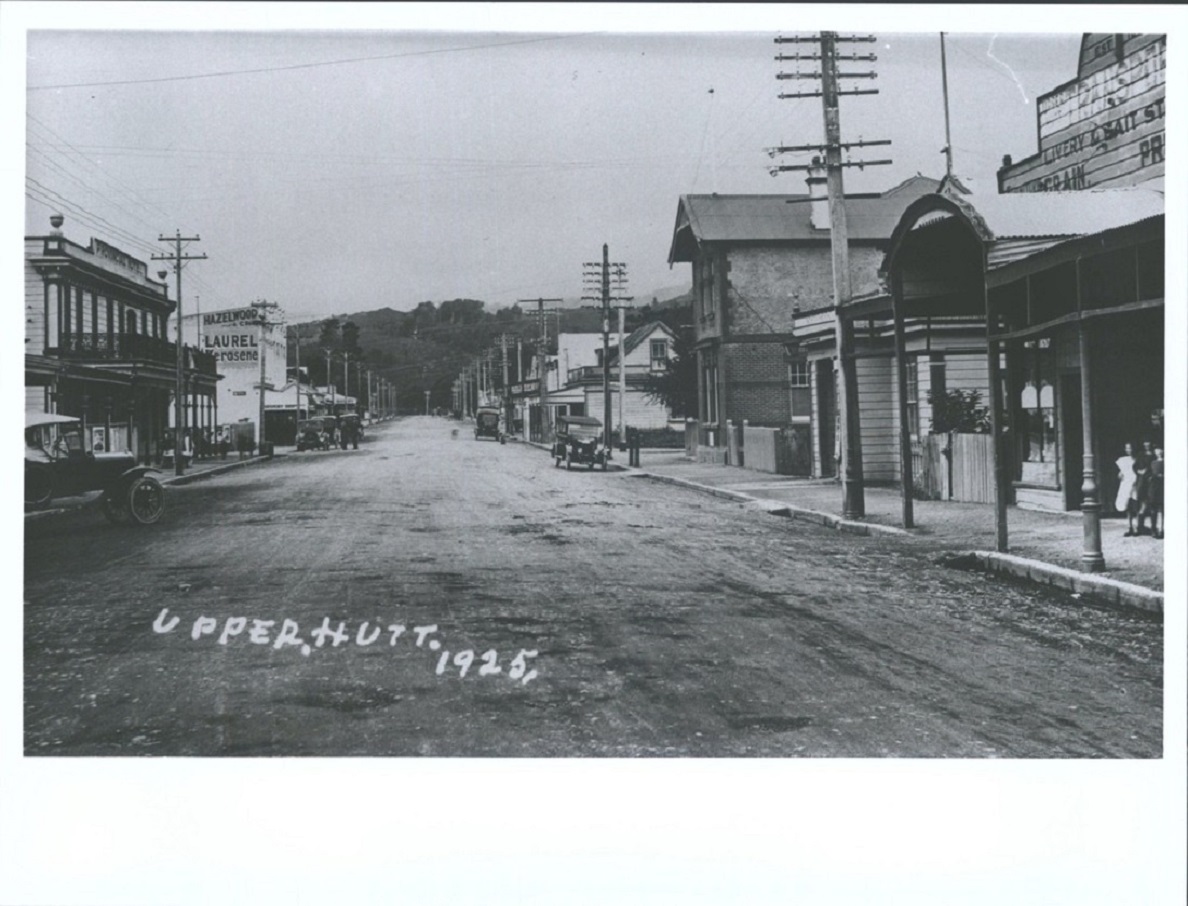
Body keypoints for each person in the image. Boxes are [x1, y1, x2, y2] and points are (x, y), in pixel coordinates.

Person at [1116, 442, 1139, 536]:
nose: (1128, 450)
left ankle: (1136, 527)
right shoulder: (1123, 460)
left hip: (1135, 485)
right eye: (1127, 448)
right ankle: (1129, 527)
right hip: (1126, 484)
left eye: (1130, 448)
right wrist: (1120, 475)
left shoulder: (1137, 459)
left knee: (1135, 506)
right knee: (1127, 506)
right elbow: (1121, 473)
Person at [1144, 442, 1164, 540]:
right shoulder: (1152, 463)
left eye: (1160, 450)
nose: (1158, 452)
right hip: (1153, 487)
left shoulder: (1165, 462)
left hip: (1163, 486)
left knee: (1163, 509)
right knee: (1153, 509)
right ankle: (1153, 529)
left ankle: (1163, 529)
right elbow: (1147, 474)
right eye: (1156, 450)